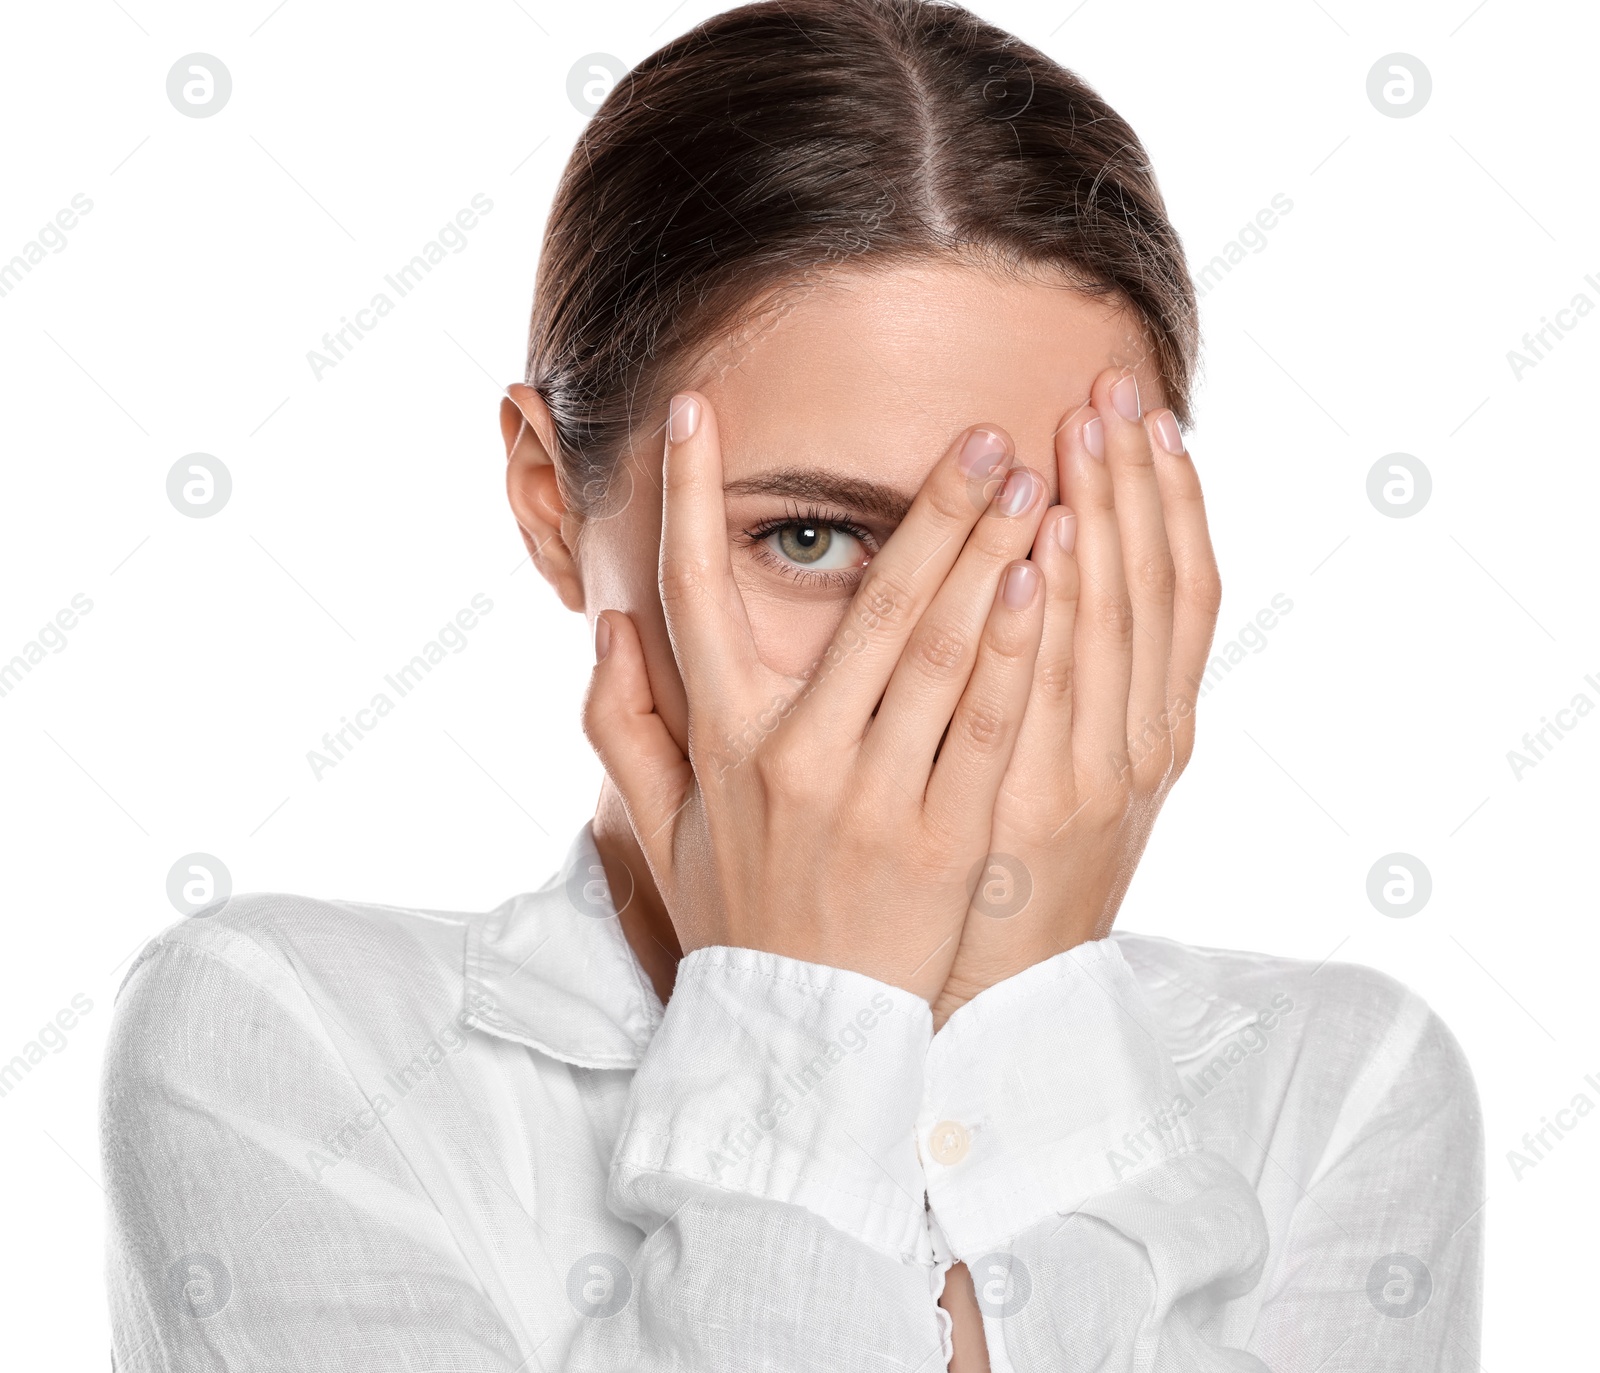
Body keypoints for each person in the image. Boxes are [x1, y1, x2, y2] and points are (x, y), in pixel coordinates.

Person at [100, 1, 1483, 1368]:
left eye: (1037, 546)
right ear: (545, 500)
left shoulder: (1338, 1088)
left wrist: (1028, 1012)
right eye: (810, 537)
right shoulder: (288, 1043)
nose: (935, 661)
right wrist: (807, 1002)